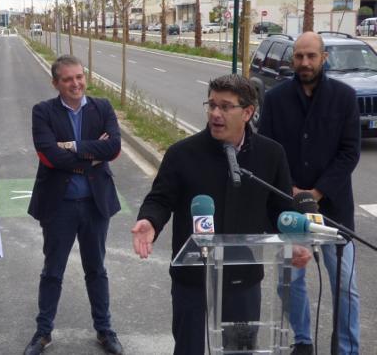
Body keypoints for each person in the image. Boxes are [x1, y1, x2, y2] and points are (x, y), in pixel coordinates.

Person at [132, 74, 311, 355]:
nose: (216, 113)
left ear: (248, 112)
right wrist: (149, 221)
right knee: (188, 349)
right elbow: (160, 198)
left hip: (243, 278)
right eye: (212, 105)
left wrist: (295, 241)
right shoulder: (182, 153)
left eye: (226, 107)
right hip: (192, 277)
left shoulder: (270, 154)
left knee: (239, 350)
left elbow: (281, 209)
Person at [258, 31, 361, 355]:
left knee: (344, 287)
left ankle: (346, 348)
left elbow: (349, 152)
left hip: (333, 208)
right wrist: (290, 191)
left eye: (311, 56)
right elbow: (267, 150)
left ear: (323, 58)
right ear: (292, 59)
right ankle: (302, 341)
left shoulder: (344, 97)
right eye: (299, 56)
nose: (304, 62)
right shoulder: (274, 99)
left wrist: (316, 192)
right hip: (288, 209)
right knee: (289, 283)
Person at [24, 55, 123, 355]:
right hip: (59, 206)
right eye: (67, 79)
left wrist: (73, 147)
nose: (75, 83)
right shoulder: (42, 112)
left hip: (95, 204)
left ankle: (105, 331)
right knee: (52, 271)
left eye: (79, 77)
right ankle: (43, 333)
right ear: (56, 83)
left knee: (97, 270)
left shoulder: (102, 107)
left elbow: (114, 146)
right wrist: (92, 156)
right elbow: (50, 155)